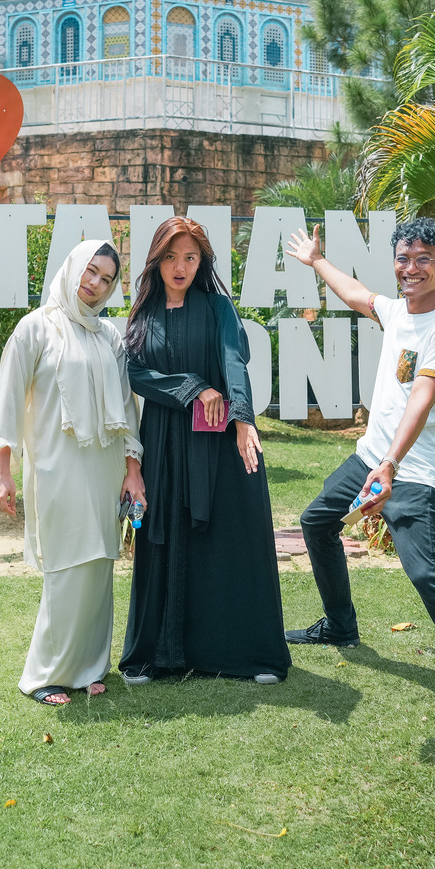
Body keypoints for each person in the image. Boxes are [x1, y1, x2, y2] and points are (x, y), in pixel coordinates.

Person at [283, 217, 435, 736]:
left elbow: (422, 397)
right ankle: (340, 626)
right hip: (372, 458)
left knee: (426, 575)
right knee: (317, 522)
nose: (411, 269)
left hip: (412, 472)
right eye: (403, 259)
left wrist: (390, 465)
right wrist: (317, 261)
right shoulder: (396, 313)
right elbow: (357, 295)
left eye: (423, 260)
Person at [119, 217, 290, 685]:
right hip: (163, 443)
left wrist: (243, 419)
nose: (180, 267)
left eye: (190, 258)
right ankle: (156, 655)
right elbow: (135, 374)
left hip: (217, 441)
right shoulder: (143, 316)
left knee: (231, 539)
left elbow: (234, 362)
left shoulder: (218, 308)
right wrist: (193, 387)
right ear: (156, 260)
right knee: (164, 538)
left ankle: (249, 655)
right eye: (171, 257)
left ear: (202, 262)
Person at [0, 239, 145, 706]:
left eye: (107, 279)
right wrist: (4, 473)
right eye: (91, 271)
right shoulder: (36, 328)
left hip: (104, 467)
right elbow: (8, 400)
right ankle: (44, 675)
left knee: (98, 566)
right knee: (65, 567)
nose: (96, 284)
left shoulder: (108, 336)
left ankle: (90, 668)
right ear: (74, 267)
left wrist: (132, 470)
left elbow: (127, 408)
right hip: (56, 468)